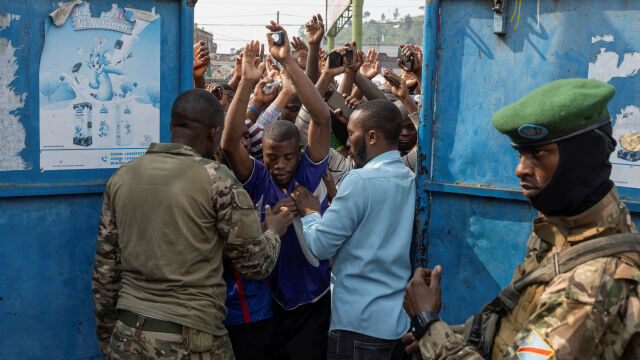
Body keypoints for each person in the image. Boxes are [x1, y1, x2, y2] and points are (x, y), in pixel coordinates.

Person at [403, 78, 640, 359]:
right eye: (521, 154)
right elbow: (522, 331)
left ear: (580, 158)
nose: (520, 169)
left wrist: (428, 325)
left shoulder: (588, 287)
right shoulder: (563, 229)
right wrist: (454, 336)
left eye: (538, 153)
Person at [91, 88, 293, 359]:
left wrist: (109, 338)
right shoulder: (216, 179)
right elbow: (256, 265)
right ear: (214, 132)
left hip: (128, 335)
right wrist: (273, 232)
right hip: (191, 340)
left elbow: (105, 273)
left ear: (172, 125)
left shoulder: (123, 177)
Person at [220, 24, 333, 360]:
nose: (280, 165)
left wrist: (289, 63)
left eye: (288, 157)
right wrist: (246, 83)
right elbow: (228, 143)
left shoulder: (310, 173)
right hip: (272, 302)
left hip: (314, 300)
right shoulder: (257, 177)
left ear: (299, 151)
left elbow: (323, 119)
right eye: (272, 157)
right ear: (262, 154)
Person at [291, 99, 416, 359]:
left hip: (358, 325)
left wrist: (311, 214)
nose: (347, 143)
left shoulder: (360, 180)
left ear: (371, 137)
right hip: (398, 324)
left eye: (350, 134)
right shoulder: (409, 178)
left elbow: (320, 246)